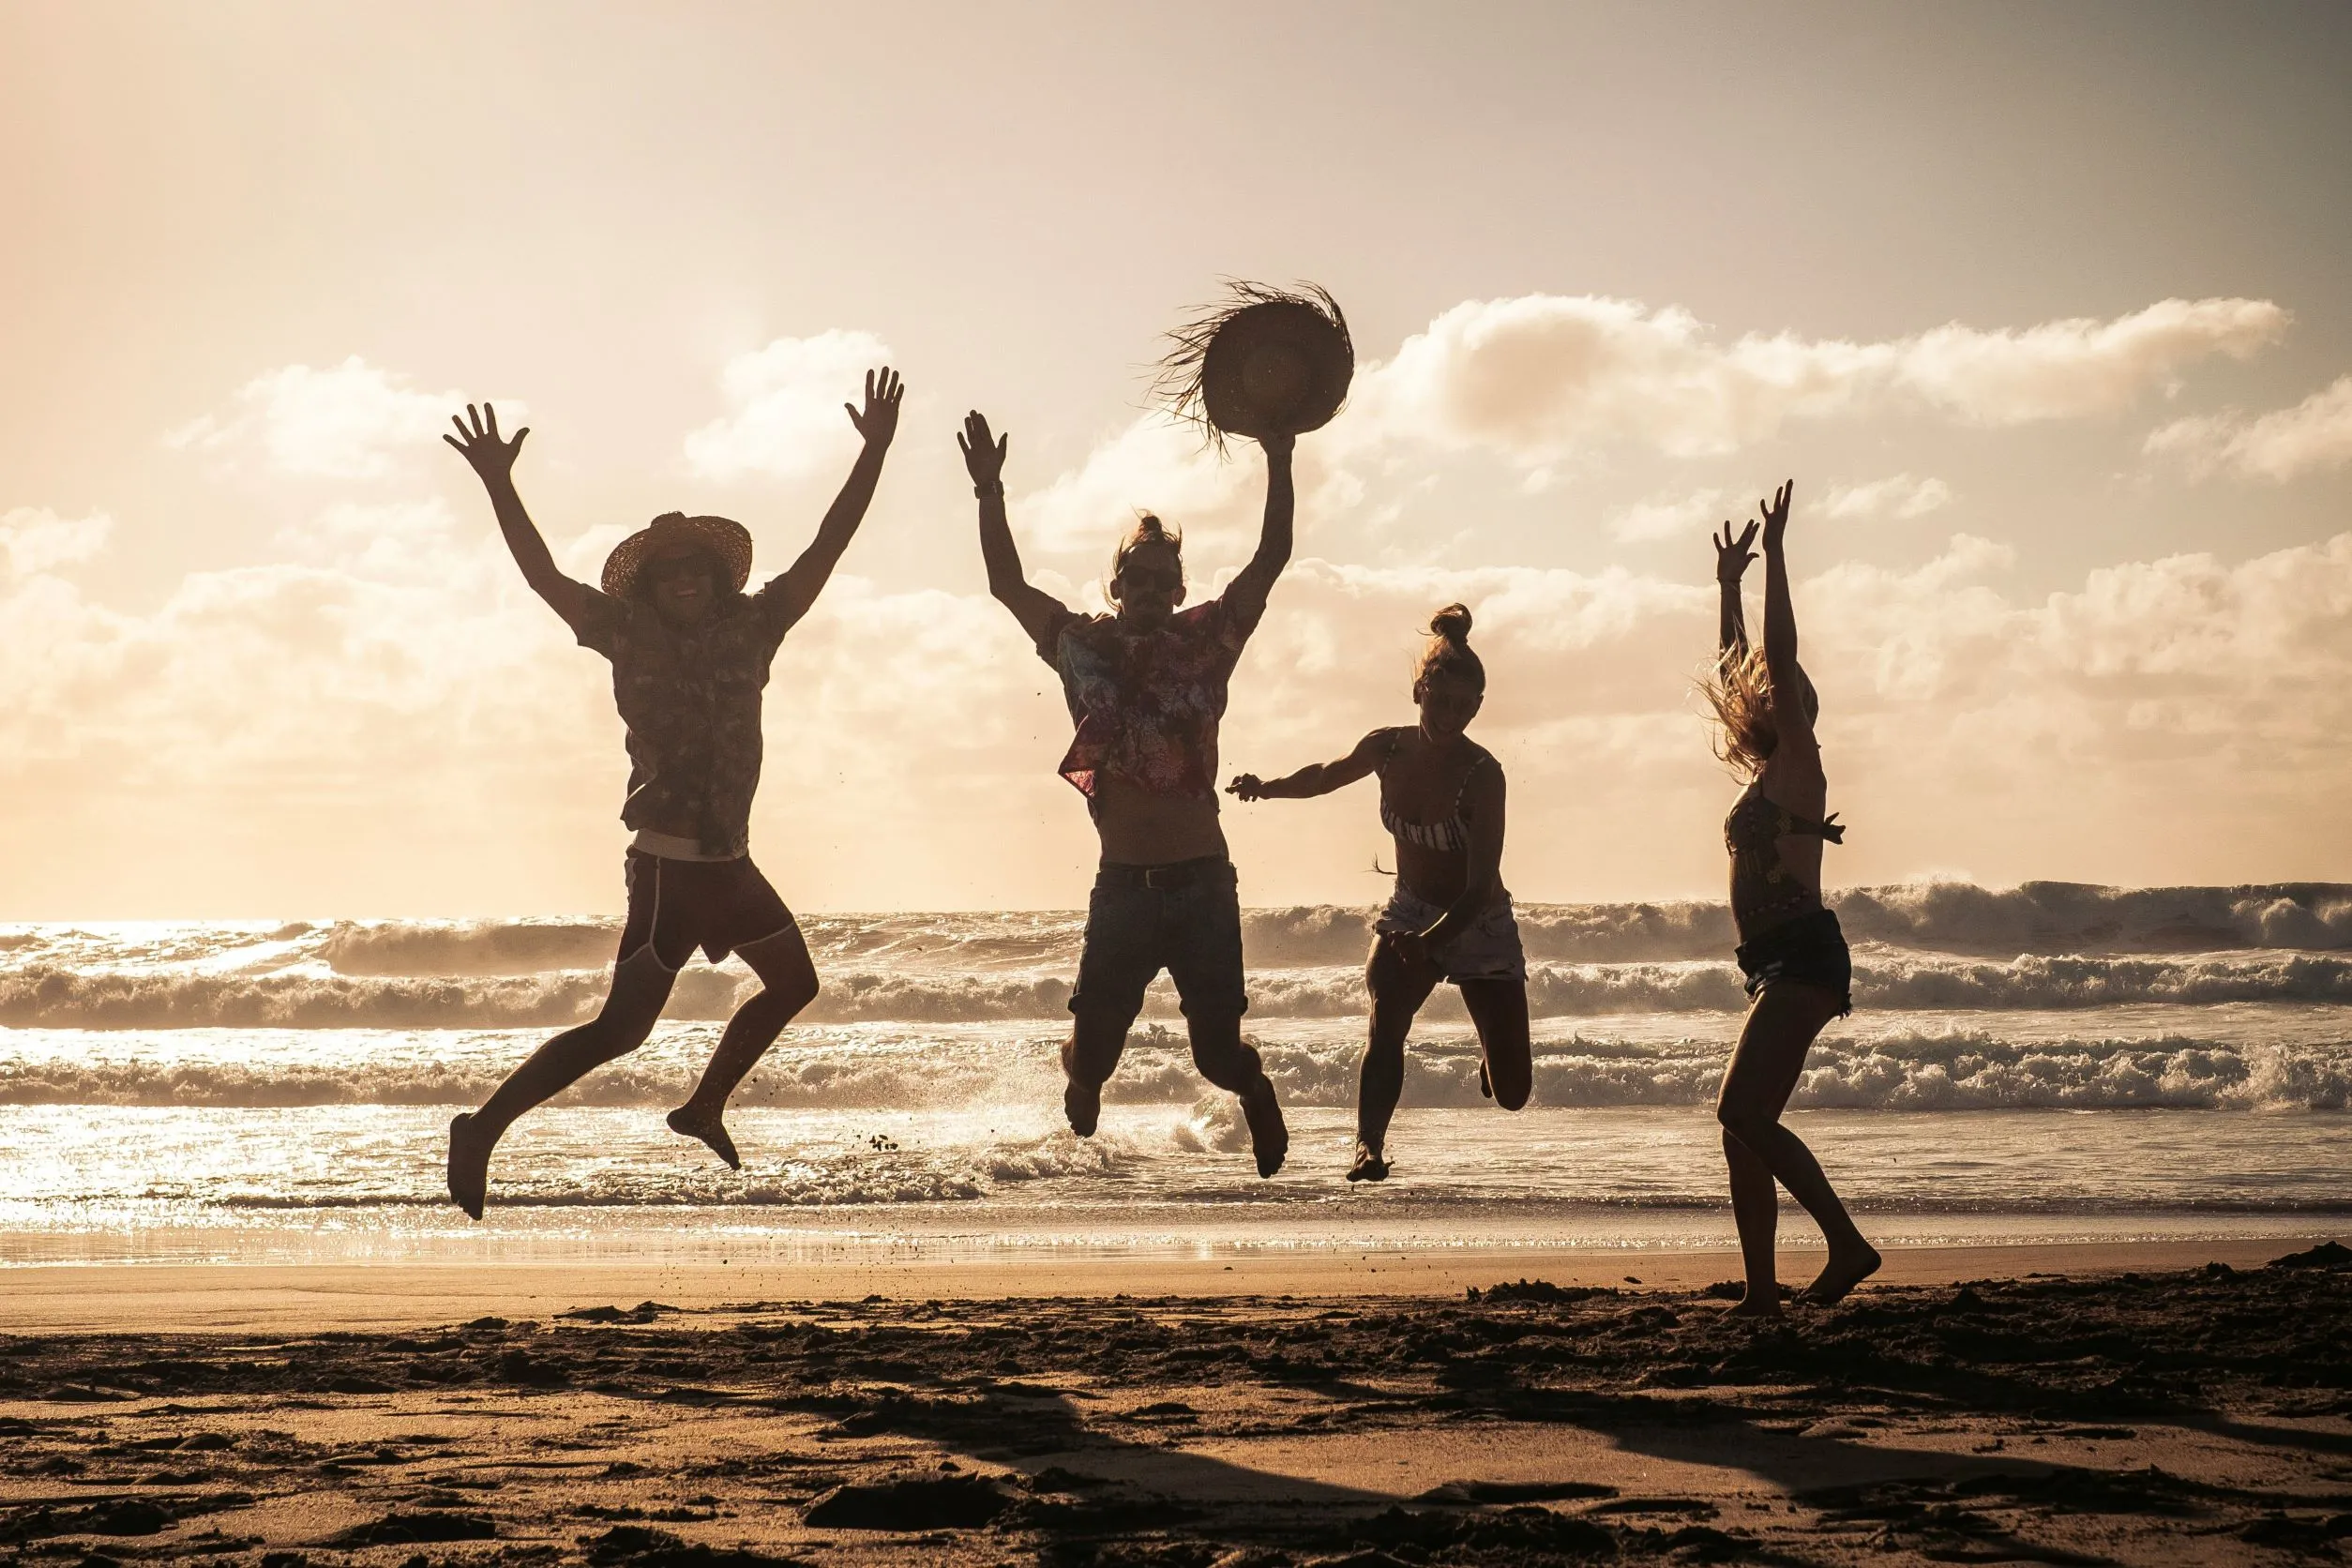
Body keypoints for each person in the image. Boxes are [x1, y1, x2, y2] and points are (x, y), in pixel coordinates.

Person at [439, 369, 904, 1219]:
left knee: (796, 984)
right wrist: (501, 485)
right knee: (619, 1032)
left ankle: (702, 1106)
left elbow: (828, 548)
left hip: (730, 860)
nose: (684, 579)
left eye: (696, 567)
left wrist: (872, 452)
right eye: (667, 572)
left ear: (718, 579)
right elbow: (544, 576)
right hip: (669, 870)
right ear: (647, 588)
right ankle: (484, 1127)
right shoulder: (621, 634)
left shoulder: (759, 624)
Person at [958, 408, 1293, 1177]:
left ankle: (1255, 1086)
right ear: (1116, 586)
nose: (1146, 589)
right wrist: (989, 491)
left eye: (1160, 580)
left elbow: (1272, 555)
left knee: (1215, 1056)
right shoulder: (1084, 646)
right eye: (1133, 578)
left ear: (1179, 590)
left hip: (1203, 883)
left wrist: (1279, 453)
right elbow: (1005, 584)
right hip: (1124, 890)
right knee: (1096, 1063)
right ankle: (1079, 1067)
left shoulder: (1208, 643)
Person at [1228, 605, 1530, 1183]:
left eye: (1463, 707)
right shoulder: (1387, 748)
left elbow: (1476, 888)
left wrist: (1431, 942)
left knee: (1514, 1093)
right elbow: (1324, 774)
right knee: (1386, 1017)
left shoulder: (1483, 775)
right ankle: (1367, 1146)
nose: (1448, 717)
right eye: (1439, 701)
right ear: (1419, 691)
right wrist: (1267, 788)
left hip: (1477, 920)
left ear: (1477, 708)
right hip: (1411, 909)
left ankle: (1493, 1059)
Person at [1705, 481, 1880, 1313]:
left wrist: (1775, 560)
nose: (1773, 691)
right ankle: (1761, 1293)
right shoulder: (1766, 767)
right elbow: (1744, 670)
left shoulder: (1800, 764)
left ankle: (1847, 1246)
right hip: (1774, 961)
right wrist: (1728, 590)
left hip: (1805, 958)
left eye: (1787, 691)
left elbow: (1772, 659)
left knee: (1740, 1110)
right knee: (1744, 1127)